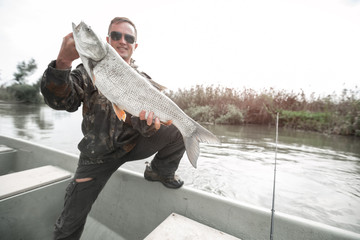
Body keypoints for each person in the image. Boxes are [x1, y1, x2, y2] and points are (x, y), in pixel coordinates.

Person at [41, 17, 185, 240]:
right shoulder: (89, 68)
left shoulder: (143, 80)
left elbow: (146, 130)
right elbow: (62, 102)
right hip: (96, 156)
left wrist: (148, 124)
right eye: (116, 36)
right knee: (69, 224)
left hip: (132, 146)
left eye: (129, 38)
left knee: (179, 130)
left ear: (135, 46)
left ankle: (159, 171)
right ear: (107, 41)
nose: (122, 41)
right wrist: (62, 63)